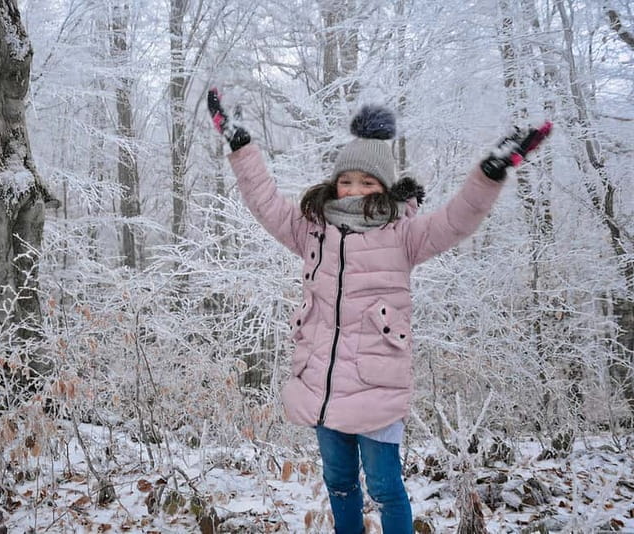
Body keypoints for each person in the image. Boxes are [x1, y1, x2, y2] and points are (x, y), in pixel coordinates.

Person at [207, 88, 551, 534]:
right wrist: (242, 147)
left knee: (387, 487)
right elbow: (266, 202)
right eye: (346, 181)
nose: (353, 190)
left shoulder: (403, 235)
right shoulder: (313, 230)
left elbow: (458, 219)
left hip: (376, 385)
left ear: (384, 188)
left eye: (366, 182)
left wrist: (489, 174)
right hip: (322, 384)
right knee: (340, 484)